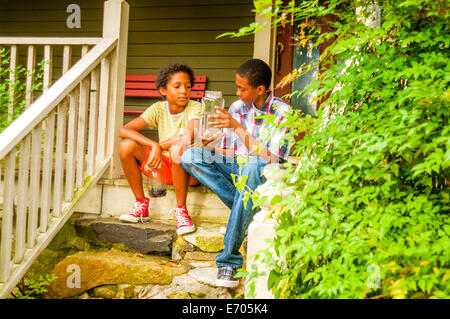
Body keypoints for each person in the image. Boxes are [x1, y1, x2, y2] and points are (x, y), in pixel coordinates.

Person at [180, 59, 290, 288]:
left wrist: (236, 128)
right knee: (190, 156)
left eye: (242, 88)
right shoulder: (237, 109)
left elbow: (272, 157)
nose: (237, 92)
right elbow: (232, 152)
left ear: (260, 89)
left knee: (251, 164)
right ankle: (247, 209)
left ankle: (228, 260)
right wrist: (210, 148)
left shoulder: (281, 111)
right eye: (237, 86)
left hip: (265, 172)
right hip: (239, 168)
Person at [118, 62, 200, 236]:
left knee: (178, 149)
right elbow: (124, 130)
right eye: (177, 86)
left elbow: (188, 137)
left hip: (189, 170)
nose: (184, 91)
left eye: (187, 86)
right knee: (126, 145)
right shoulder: (158, 108)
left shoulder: (195, 107)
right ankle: (141, 205)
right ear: (163, 90)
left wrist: (159, 146)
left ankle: (181, 211)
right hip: (163, 168)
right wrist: (153, 145)